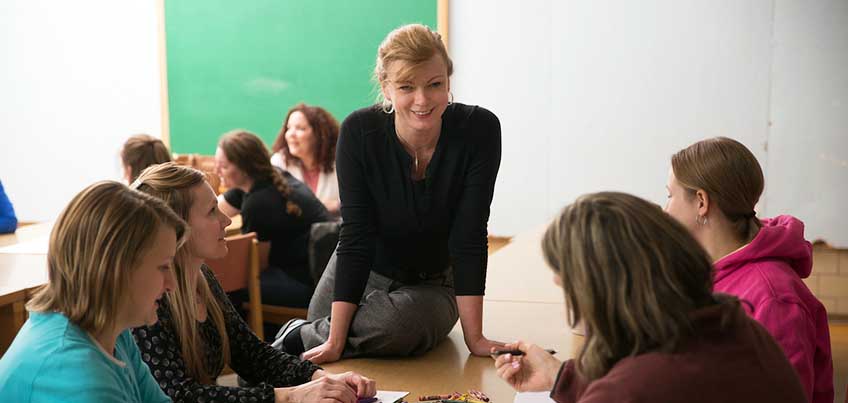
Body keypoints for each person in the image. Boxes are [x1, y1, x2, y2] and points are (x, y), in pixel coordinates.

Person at [274, 23, 504, 364]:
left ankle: (295, 335)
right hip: (360, 271)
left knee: (400, 324)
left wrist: (476, 339)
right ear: (386, 87)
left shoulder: (479, 130)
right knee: (312, 357)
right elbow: (356, 237)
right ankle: (287, 350)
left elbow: (469, 235)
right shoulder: (359, 132)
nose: (422, 100)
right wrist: (335, 339)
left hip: (432, 287)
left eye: (435, 84)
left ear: (448, 80)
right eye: (406, 86)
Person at [494, 192, 807, 402]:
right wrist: (560, 376)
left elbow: (639, 388)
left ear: (604, 287)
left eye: (566, 273)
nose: (558, 280)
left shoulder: (636, 386)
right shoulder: (731, 325)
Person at [132, 162, 375, 403]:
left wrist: (321, 378)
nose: (226, 220)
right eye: (211, 211)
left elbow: (252, 355)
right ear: (178, 227)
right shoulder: (150, 298)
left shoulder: (202, 277)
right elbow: (180, 396)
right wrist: (290, 396)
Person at [665, 137, 833, 403]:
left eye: (670, 196)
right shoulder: (706, 276)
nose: (666, 210)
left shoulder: (774, 298)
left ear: (700, 202)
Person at [0, 181, 185, 402]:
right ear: (116, 269)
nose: (171, 284)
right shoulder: (77, 375)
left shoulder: (113, 331)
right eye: (164, 266)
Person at [216, 130, 331, 309]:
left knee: (223, 286)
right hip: (317, 274)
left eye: (223, 166)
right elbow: (218, 207)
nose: (217, 171)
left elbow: (255, 267)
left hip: (307, 284)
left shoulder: (259, 203)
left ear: (243, 168)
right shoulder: (268, 177)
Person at [271, 103, 341, 216]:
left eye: (300, 128)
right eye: (288, 128)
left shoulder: (340, 162)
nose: (291, 134)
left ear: (320, 134)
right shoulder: (279, 162)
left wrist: (337, 205)